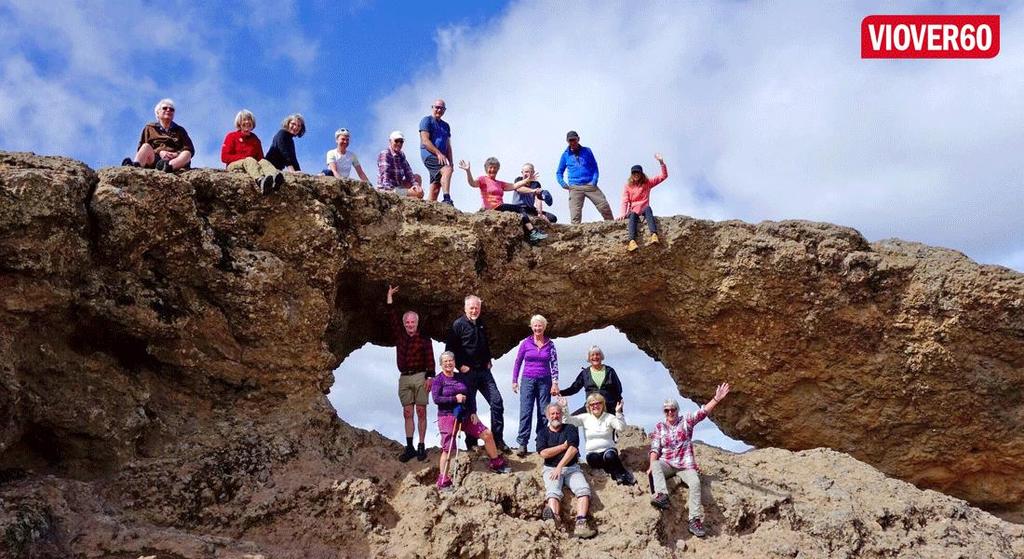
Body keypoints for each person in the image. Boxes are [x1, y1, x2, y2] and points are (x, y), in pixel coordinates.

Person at [648, 383, 731, 538]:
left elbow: (703, 412)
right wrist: (651, 466)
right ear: (664, 412)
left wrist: (716, 399)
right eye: (667, 410)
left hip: (685, 465)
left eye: (673, 409)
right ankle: (662, 495)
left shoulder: (686, 421)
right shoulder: (660, 427)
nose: (670, 412)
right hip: (667, 463)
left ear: (677, 410)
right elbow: (654, 448)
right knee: (655, 464)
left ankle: (694, 520)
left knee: (695, 483)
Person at [432, 351, 511, 490]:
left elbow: (470, 394)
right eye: (445, 361)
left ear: (454, 362)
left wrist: (473, 411)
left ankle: (496, 463)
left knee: (487, 434)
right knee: (449, 448)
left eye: (451, 360)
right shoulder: (438, 380)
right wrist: (454, 399)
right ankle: (443, 479)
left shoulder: (461, 377)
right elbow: (436, 399)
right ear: (441, 364)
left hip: (465, 414)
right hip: (447, 415)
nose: (449, 363)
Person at [444, 295, 510, 454]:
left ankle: (498, 439)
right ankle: (471, 442)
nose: (474, 311)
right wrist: (459, 365)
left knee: (497, 402)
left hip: (484, 371)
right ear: (465, 308)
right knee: (469, 407)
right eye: (471, 308)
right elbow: (449, 349)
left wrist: (488, 359)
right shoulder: (458, 325)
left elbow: (484, 343)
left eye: (477, 308)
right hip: (468, 373)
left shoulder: (481, 323)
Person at [386, 285, 435, 462]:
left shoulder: (424, 340)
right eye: (407, 322)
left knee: (421, 411)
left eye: (412, 322)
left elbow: (430, 360)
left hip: (420, 376)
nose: (409, 325)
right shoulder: (400, 337)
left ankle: (422, 445)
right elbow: (392, 318)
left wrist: (430, 377)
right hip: (404, 377)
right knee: (407, 412)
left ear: (417, 322)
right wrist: (390, 297)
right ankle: (410, 447)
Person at [536, 403, 597, 539]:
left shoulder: (570, 428)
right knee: (553, 492)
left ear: (562, 414)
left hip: (571, 468)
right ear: (547, 416)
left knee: (583, 490)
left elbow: (573, 449)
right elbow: (544, 453)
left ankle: (581, 525)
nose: (555, 416)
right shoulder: (542, 433)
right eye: (552, 414)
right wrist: (563, 447)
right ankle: (554, 522)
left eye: (557, 413)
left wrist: (560, 466)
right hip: (550, 468)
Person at [458, 157, 549, 244]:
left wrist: (527, 180)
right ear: (486, 169)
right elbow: (472, 183)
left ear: (497, 170)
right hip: (492, 207)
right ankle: (533, 232)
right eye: (490, 168)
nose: (492, 170)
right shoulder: (483, 179)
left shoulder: (499, 183)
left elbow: (514, 186)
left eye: (495, 168)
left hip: (500, 206)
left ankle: (531, 234)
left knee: (519, 212)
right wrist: (468, 171)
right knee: (520, 209)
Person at [559, 394, 635, 485]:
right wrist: (564, 407)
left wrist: (618, 413)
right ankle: (612, 472)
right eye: (592, 404)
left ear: (603, 404)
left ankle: (622, 475)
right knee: (594, 459)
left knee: (610, 456)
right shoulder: (585, 417)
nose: (595, 406)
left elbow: (621, 428)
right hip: (592, 453)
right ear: (588, 406)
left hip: (608, 451)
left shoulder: (609, 417)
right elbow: (568, 421)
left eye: (598, 403)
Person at [511, 315, 560, 458]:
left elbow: (554, 365)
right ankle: (522, 443)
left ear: (544, 327)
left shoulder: (550, 345)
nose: (538, 328)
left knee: (544, 413)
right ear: (531, 327)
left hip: (545, 381)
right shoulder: (526, 343)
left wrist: (555, 383)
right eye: (535, 326)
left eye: (540, 326)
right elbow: (518, 362)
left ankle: (541, 442)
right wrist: (514, 380)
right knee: (526, 411)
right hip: (528, 380)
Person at [220, 109, 284, 195]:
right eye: (244, 120)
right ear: (239, 123)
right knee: (249, 159)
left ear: (252, 123)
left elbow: (260, 158)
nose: (247, 122)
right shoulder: (232, 136)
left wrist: (255, 162)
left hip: (251, 164)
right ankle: (260, 181)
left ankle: (274, 178)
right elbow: (224, 157)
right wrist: (244, 158)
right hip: (235, 165)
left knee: (263, 161)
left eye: (249, 120)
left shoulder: (255, 139)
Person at [555, 130, 613, 224]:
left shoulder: (587, 151)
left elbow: (594, 166)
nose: (572, 142)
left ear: (578, 139)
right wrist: (562, 183)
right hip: (575, 187)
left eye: (574, 140)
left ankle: (612, 226)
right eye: (570, 140)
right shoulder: (565, 155)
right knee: (575, 215)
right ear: (567, 141)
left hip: (590, 185)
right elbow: (559, 172)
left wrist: (594, 181)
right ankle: (575, 236)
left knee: (604, 206)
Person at [121, 98, 194, 172]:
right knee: (145, 146)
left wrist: (175, 154)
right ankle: (135, 167)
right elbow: (141, 149)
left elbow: (190, 149)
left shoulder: (180, 130)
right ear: (158, 113)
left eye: (171, 109)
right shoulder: (150, 128)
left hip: (175, 160)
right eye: (165, 108)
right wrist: (160, 152)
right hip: (156, 160)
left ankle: (168, 167)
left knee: (187, 153)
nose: (168, 110)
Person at [620, 154, 668, 252]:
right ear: (631, 174)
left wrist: (661, 162)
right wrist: (622, 213)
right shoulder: (628, 186)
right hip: (633, 210)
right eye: (634, 173)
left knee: (648, 209)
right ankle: (632, 242)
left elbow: (663, 176)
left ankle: (654, 235)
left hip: (644, 208)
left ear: (641, 174)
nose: (636, 175)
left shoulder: (647, 183)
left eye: (638, 173)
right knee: (633, 215)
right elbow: (625, 200)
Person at [559, 345, 624, 415]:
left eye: (597, 354)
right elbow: (574, 388)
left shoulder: (610, 371)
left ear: (601, 357)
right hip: (591, 406)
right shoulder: (585, 373)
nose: (595, 357)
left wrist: (619, 409)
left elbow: (618, 390)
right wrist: (560, 393)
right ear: (589, 358)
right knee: (570, 421)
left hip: (608, 406)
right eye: (592, 355)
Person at [418, 99, 455, 206]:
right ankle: (447, 199)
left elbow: (448, 145)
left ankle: (427, 208)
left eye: (441, 108)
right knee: (446, 170)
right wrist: (438, 153)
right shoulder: (427, 120)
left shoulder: (446, 126)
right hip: (429, 154)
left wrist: (451, 162)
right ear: (432, 107)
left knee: (435, 187)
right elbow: (425, 140)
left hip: (441, 157)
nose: (439, 110)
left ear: (444, 110)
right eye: (437, 107)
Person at [377, 131, 424, 198]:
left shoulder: (401, 155)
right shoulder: (385, 154)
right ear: (390, 141)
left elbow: (408, 172)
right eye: (396, 141)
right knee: (414, 193)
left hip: (398, 186)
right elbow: (385, 181)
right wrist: (407, 192)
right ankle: (412, 199)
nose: (399, 143)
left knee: (417, 178)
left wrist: (416, 186)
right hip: (388, 190)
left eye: (401, 141)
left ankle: (415, 200)